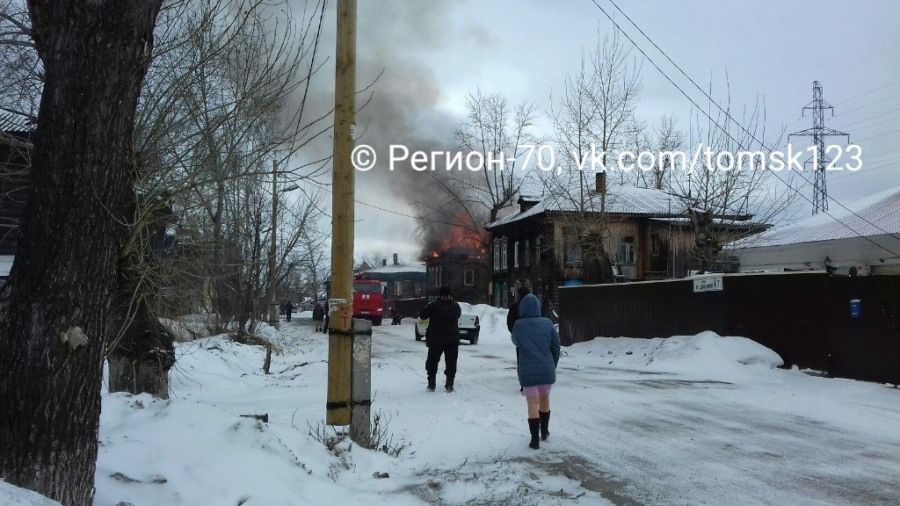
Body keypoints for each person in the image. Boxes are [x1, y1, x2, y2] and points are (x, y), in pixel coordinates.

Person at [511, 293, 560, 449]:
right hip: (547, 369)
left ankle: (534, 439)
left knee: (532, 402)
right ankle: (544, 431)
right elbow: (556, 346)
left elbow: (515, 341)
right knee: (545, 399)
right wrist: (553, 363)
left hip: (527, 371)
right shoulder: (548, 323)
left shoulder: (518, 325)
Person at [420, 286, 461, 392]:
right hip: (452, 340)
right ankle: (449, 384)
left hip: (436, 340)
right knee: (451, 362)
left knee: (432, 362)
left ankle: (431, 384)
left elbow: (423, 316)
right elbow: (458, 315)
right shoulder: (455, 306)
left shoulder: (434, 306)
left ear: (440, 295)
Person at [507, 286, 532, 392]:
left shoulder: (515, 306)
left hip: (521, 339)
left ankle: (523, 383)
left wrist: (515, 333)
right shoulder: (534, 305)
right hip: (533, 338)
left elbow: (510, 322)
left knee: (521, 361)